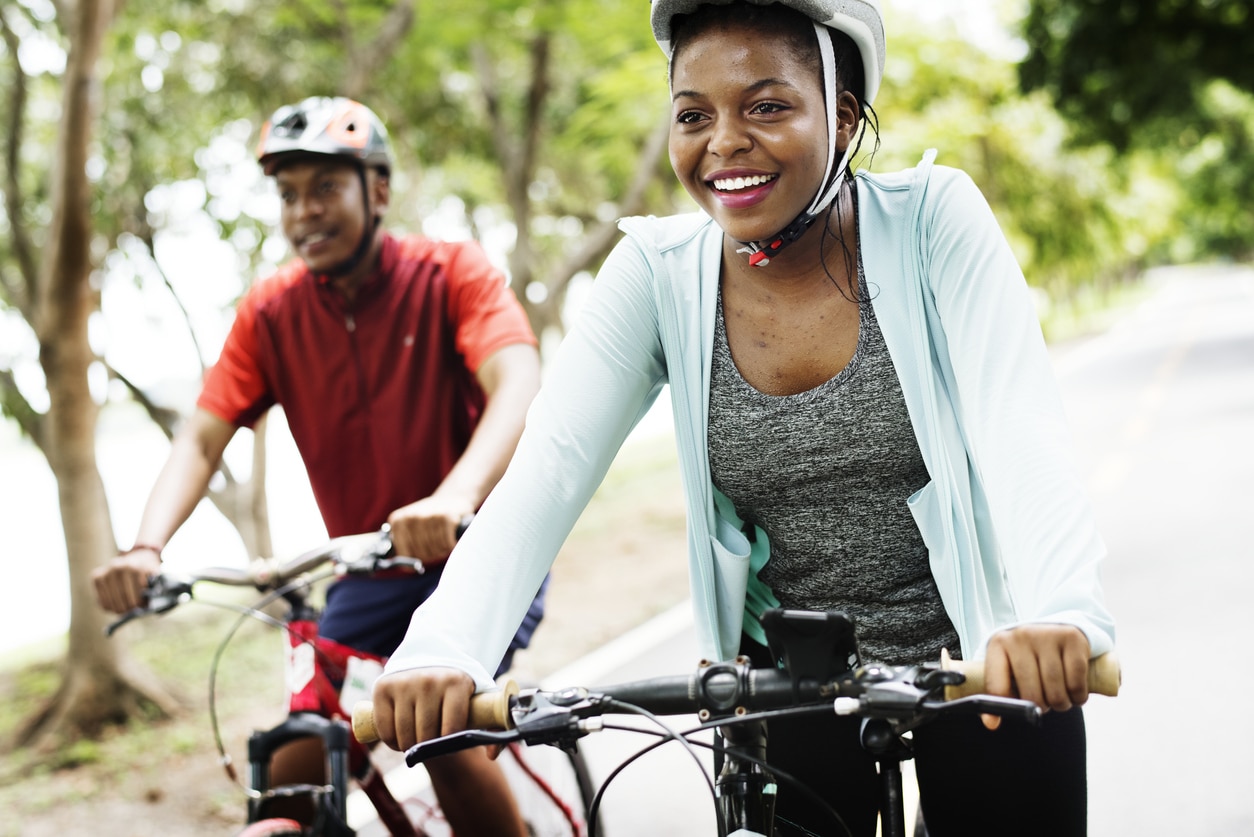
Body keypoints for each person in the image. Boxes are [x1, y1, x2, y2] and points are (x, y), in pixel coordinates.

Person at [371, 2, 1116, 835]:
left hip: (987, 660)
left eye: (766, 105)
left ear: (841, 114)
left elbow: (1020, 429)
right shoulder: (656, 276)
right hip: (787, 682)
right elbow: (547, 468)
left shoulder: (934, 220)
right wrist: (443, 645)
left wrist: (1059, 612)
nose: (722, 142)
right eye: (693, 114)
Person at [92, 96, 543, 836]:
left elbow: (517, 382)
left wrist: (455, 497)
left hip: (481, 548)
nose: (304, 211)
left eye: (326, 187)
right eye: (288, 194)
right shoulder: (271, 312)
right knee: (296, 759)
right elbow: (202, 440)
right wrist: (145, 546)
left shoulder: (450, 272)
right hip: (368, 566)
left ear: (380, 189)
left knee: (434, 720)